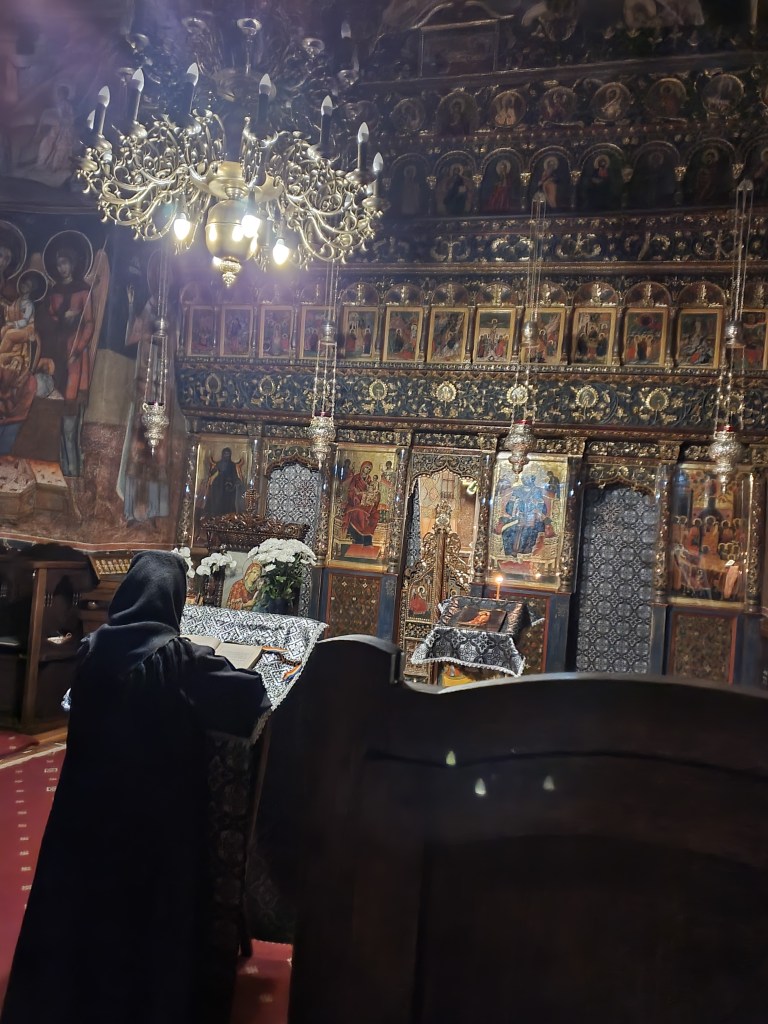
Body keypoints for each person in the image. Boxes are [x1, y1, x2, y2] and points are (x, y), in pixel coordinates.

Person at [0, 551, 270, 1024]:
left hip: (84, 819)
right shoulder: (181, 659)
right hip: (152, 826)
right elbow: (250, 695)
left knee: (80, 909)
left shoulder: (92, 649)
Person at [204, 446, 245, 516]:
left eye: (228, 454)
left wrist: (236, 481)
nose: (226, 455)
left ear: (230, 455)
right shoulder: (219, 463)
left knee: (228, 501)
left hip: (229, 485)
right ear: (222, 454)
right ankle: (216, 514)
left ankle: (228, 515)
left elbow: (234, 474)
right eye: (225, 454)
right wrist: (212, 472)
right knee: (217, 499)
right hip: (219, 484)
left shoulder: (232, 465)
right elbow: (213, 472)